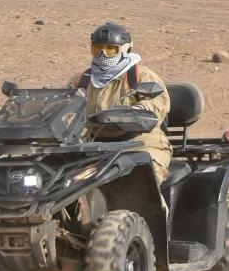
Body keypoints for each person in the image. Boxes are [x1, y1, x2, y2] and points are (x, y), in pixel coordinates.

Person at [74, 21, 174, 171]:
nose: (103, 55)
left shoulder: (141, 76)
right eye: (97, 49)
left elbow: (156, 103)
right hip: (94, 145)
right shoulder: (83, 79)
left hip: (141, 144)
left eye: (110, 50)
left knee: (137, 179)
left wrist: (133, 113)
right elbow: (64, 104)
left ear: (125, 50)